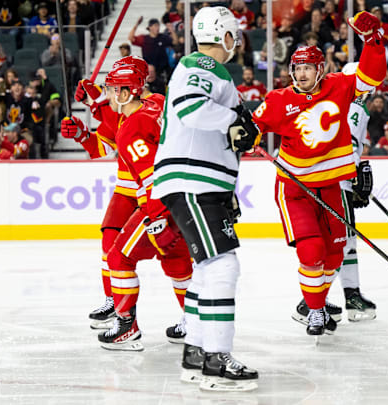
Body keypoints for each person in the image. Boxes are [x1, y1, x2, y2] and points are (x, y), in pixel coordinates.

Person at [251, 11, 386, 336]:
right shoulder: (279, 100)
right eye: (296, 68)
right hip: (295, 189)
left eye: (307, 67)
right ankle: (314, 311)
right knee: (311, 253)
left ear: (320, 69)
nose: (301, 73)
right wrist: (245, 133)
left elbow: (372, 76)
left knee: (335, 252)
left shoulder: (339, 87)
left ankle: (318, 302)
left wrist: (372, 41)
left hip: (330, 188)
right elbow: (250, 126)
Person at [151, 6, 259, 391]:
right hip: (192, 178)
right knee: (221, 267)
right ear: (226, 36)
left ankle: (196, 355)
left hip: (199, 181)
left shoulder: (205, 70)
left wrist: (240, 128)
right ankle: (216, 359)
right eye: (235, 35)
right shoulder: (202, 66)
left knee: (205, 269)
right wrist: (235, 123)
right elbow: (192, 107)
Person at [61, 56, 187, 343]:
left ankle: (126, 318)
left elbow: (125, 131)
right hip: (133, 189)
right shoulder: (145, 105)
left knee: (124, 255)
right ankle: (115, 302)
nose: (110, 91)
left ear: (131, 88)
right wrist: (83, 133)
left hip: (151, 193)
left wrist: (98, 102)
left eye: (115, 87)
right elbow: (101, 145)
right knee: (112, 243)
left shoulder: (143, 108)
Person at [292, 68, 378, 324]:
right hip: (336, 181)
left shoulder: (338, 102)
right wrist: (353, 175)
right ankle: (310, 303)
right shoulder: (354, 106)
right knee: (338, 243)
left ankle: (350, 295)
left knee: (346, 242)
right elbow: (348, 142)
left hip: (335, 180)